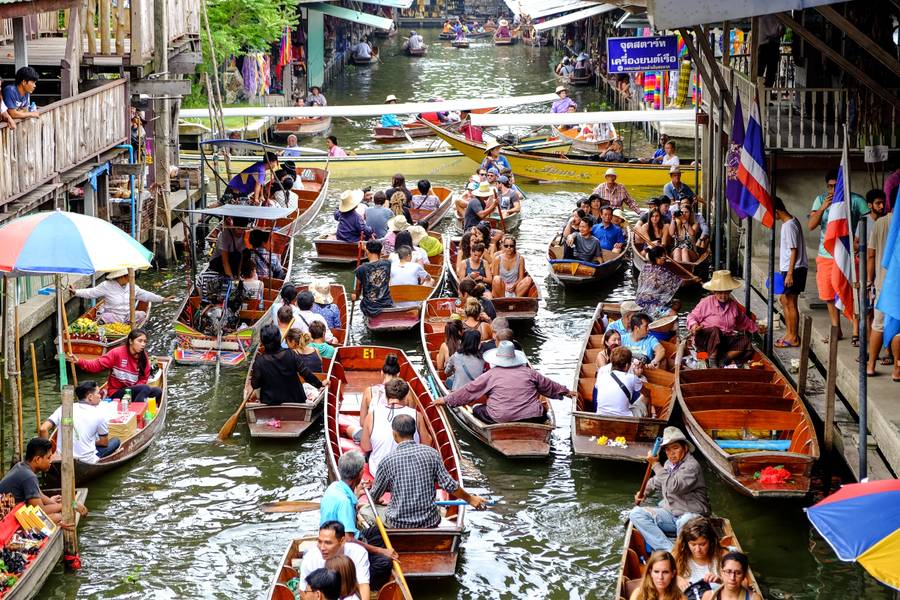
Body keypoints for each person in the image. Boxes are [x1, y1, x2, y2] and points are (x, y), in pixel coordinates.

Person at [368, 415, 487, 530]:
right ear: (414, 433)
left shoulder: (387, 461)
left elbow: (374, 496)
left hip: (398, 523)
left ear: (394, 434)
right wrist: (470, 499)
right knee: (438, 508)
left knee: (365, 510)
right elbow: (450, 485)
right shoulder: (432, 454)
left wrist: (373, 498)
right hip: (429, 521)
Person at [438, 340, 574, 424]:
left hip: (501, 417)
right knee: (543, 412)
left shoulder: (491, 374)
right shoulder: (529, 372)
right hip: (532, 416)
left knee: (477, 409)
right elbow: (549, 385)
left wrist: (446, 400)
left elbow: (469, 390)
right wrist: (566, 392)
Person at [808, 169, 869, 344]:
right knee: (827, 294)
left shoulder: (856, 201)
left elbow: (868, 223)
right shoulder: (820, 200)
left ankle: (856, 330)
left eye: (836, 186)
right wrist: (822, 208)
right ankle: (837, 328)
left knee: (850, 291)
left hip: (848, 255)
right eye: (830, 186)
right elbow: (811, 225)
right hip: (825, 254)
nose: (833, 190)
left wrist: (859, 242)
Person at [319, 450, 396, 589]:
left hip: (341, 538)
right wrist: (380, 551)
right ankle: (359, 585)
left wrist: (357, 494)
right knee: (384, 563)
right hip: (340, 550)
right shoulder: (344, 502)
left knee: (379, 531)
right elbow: (349, 540)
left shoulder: (334, 487)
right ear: (360, 473)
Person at [630, 426, 710, 553]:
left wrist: (655, 464)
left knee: (684, 521)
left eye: (675, 448)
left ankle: (683, 552)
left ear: (685, 448)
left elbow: (673, 487)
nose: (671, 453)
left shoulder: (691, 466)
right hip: (672, 515)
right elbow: (657, 480)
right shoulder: (669, 464)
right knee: (636, 513)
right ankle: (670, 550)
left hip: (692, 516)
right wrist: (644, 492)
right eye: (667, 449)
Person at [0, 438, 88, 528]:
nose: (51, 461)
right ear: (37, 459)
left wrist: (64, 503)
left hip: (15, 514)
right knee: (58, 517)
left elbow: (39, 494)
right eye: (48, 458)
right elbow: (40, 511)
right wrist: (70, 505)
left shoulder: (21, 466)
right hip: (7, 521)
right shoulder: (29, 476)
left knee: (58, 509)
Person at [687, 271, 761, 366]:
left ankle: (724, 359)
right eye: (720, 293)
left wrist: (757, 328)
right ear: (714, 292)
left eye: (726, 293)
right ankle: (713, 361)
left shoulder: (733, 306)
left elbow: (744, 321)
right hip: (705, 340)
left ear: (730, 291)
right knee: (715, 330)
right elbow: (692, 316)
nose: (723, 296)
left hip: (723, 341)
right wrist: (694, 326)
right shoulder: (706, 302)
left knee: (745, 341)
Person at [361, 379, 430, 477]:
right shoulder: (417, 415)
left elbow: (366, 447)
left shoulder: (372, 415)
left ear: (386, 396)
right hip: (410, 473)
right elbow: (427, 444)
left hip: (378, 472)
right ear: (406, 397)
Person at [70, 328, 162, 402]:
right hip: (116, 392)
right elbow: (97, 365)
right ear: (131, 341)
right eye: (140, 341)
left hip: (133, 391)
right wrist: (79, 362)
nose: (142, 344)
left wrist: (135, 391)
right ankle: (136, 412)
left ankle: (137, 403)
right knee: (145, 389)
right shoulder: (117, 353)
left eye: (144, 342)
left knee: (157, 391)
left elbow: (143, 379)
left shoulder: (144, 358)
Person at [39, 380, 120, 463]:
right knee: (116, 441)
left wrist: (46, 454)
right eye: (98, 393)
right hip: (86, 460)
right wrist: (88, 442)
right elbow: (104, 443)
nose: (100, 396)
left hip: (61, 457)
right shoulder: (99, 414)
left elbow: (43, 429)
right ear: (90, 397)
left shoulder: (63, 408)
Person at [249, 324, 322, 405]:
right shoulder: (291, 354)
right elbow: (306, 373)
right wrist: (319, 384)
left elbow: (255, 385)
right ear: (279, 338)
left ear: (262, 342)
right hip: (296, 400)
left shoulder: (259, 362)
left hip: (271, 402)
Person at [70, 268, 169, 323]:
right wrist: (76, 292)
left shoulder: (132, 286)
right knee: (105, 317)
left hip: (127, 316)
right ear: (121, 277)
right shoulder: (107, 285)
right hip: (113, 316)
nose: (130, 278)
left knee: (142, 314)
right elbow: (91, 292)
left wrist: (162, 299)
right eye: (128, 276)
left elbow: (145, 295)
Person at [299, 522, 370, 597]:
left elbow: (363, 584)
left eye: (328, 543)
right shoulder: (310, 558)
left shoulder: (358, 552)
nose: (322, 548)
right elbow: (303, 590)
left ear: (342, 541)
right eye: (319, 542)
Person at [773, 196, 808, 348]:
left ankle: (793, 337)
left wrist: (789, 274)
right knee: (784, 300)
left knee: (791, 302)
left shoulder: (789, 225)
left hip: (794, 269)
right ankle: (789, 332)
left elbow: (794, 250)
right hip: (789, 268)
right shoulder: (790, 223)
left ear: (776, 211)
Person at [594, 347, 649, 417]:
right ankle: (648, 421)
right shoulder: (632, 378)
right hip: (625, 418)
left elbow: (598, 387)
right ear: (627, 365)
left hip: (601, 415)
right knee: (646, 396)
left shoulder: (602, 376)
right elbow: (646, 393)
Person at [673, 517, 723, 592]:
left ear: (711, 541)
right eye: (693, 545)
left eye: (702, 544)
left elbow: (743, 583)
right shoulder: (678, 555)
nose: (697, 550)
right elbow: (658, 574)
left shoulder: (723, 555)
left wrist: (721, 581)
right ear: (686, 543)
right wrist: (677, 578)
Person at [636, 246, 683, 319]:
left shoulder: (645, 267)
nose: (665, 259)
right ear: (656, 258)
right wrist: (694, 279)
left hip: (647, 300)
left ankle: (661, 319)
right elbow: (679, 282)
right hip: (649, 304)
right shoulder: (662, 271)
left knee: (677, 303)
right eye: (663, 257)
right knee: (674, 315)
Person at [353, 241, 392, 319]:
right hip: (386, 303)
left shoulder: (361, 269)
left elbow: (358, 289)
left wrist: (355, 296)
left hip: (370, 306)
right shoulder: (388, 264)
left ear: (367, 251)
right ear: (380, 251)